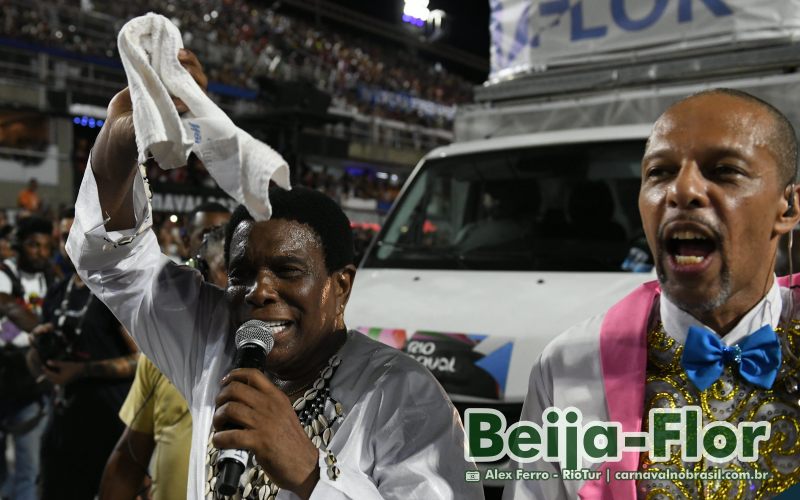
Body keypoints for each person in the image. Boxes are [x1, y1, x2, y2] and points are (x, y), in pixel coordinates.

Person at [68, 49, 481, 500]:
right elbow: (117, 264)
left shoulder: (404, 395)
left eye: (288, 271)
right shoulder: (214, 341)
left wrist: (309, 472)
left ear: (340, 285)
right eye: (242, 272)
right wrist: (122, 142)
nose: (260, 290)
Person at [503, 88, 800, 499]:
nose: (683, 190)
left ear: (787, 208)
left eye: (723, 170)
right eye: (659, 172)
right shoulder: (568, 365)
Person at [100, 227, 229, 500]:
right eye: (230, 271)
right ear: (201, 273)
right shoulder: (159, 357)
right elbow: (130, 456)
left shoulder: (282, 363)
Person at [25, 208, 138, 500]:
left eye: (78, 232)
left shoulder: (113, 289)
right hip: (63, 422)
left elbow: (143, 360)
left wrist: (83, 371)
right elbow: (40, 360)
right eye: (64, 235)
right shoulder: (57, 291)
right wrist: (38, 350)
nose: (70, 241)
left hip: (107, 424)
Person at [0, 216, 55, 500]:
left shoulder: (51, 277)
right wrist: (34, 333)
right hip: (5, 373)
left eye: (46, 246)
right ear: (18, 246)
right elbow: (3, 321)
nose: (41, 252)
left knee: (29, 467)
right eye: (34, 245)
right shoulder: (4, 274)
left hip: (31, 386)